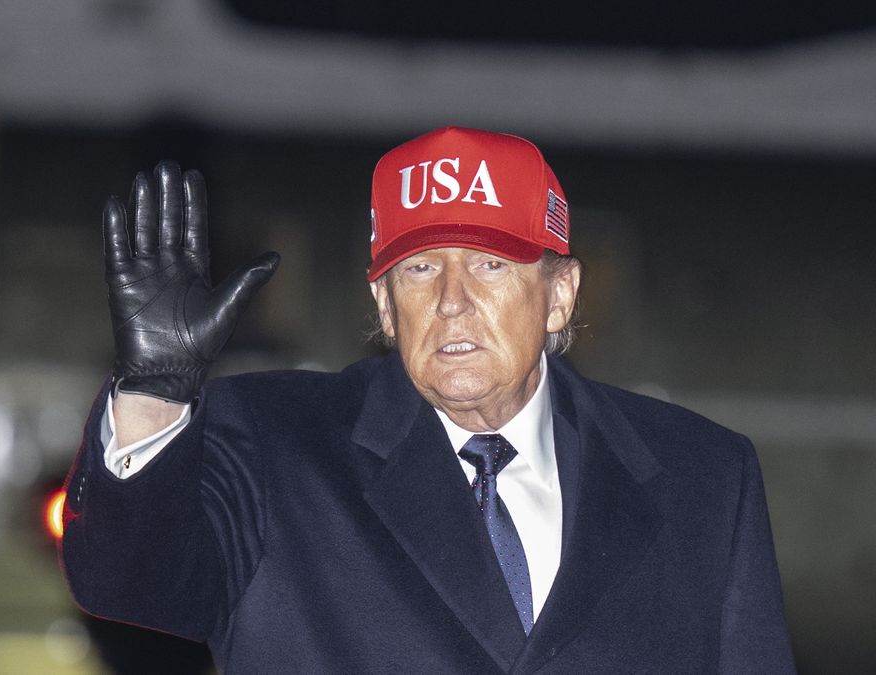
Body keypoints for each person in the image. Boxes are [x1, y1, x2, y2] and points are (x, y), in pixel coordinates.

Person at [61, 126, 795, 673]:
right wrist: (155, 391)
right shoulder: (272, 442)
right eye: (418, 269)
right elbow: (133, 582)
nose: (452, 301)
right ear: (384, 306)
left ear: (560, 295)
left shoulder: (704, 477)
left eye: (489, 263)